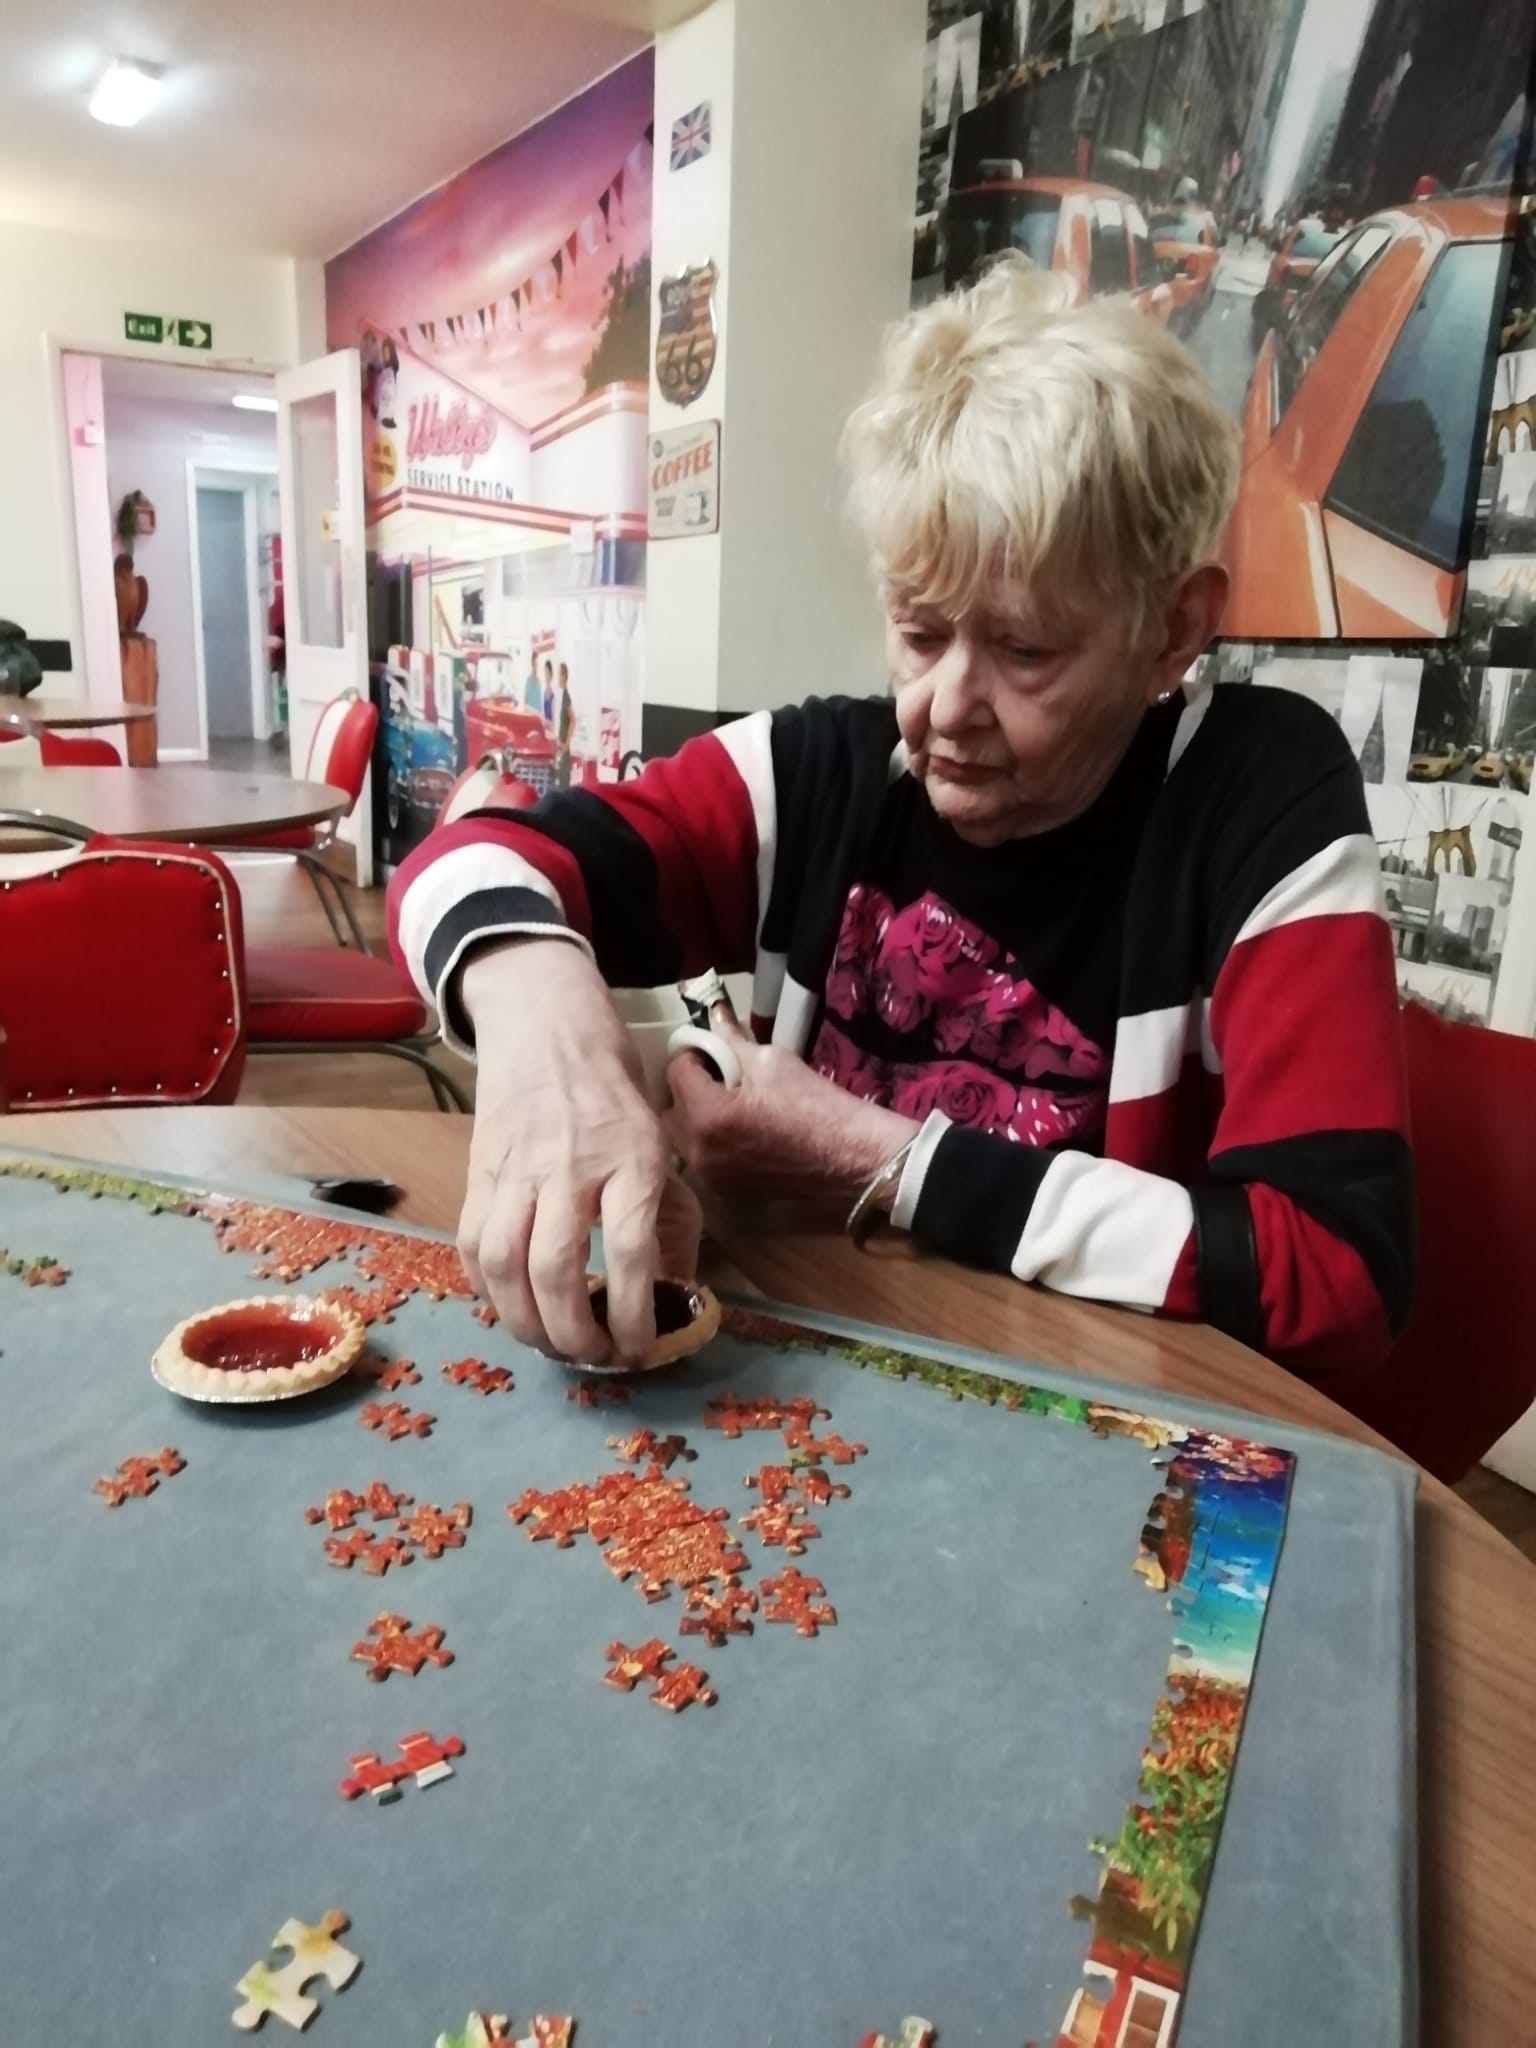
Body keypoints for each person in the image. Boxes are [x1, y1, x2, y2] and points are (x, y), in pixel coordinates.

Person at [389, 256, 1414, 1378]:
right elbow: (464, 860)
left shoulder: (1256, 792)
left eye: (1024, 649)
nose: (943, 707)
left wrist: (874, 1154)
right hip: (805, 1387)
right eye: (920, 632)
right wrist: (544, 1016)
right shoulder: (824, 770)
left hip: (1096, 1409)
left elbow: (1340, 1275)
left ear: (1172, 632)